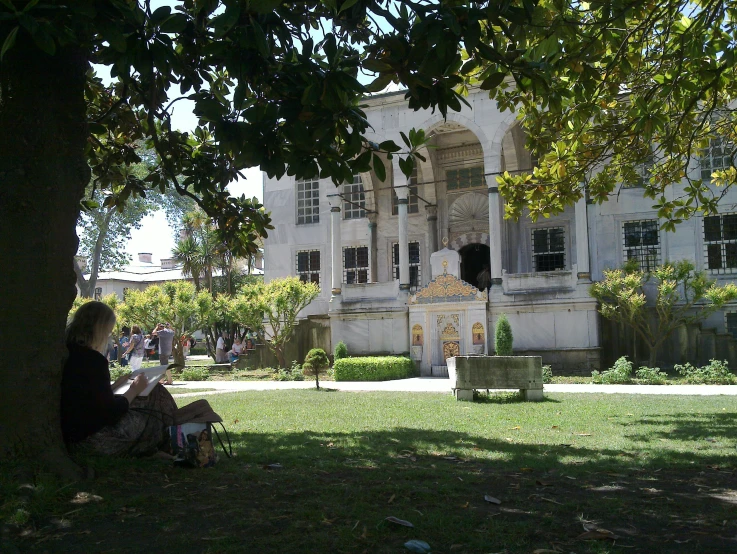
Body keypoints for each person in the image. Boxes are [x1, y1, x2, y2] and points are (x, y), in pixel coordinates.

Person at [61, 301, 176, 457]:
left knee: (151, 394)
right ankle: (173, 442)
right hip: (94, 440)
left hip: (72, 437)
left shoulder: (68, 353)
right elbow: (110, 412)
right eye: (108, 332)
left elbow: (89, 399)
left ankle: (166, 444)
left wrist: (114, 386)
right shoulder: (93, 360)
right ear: (99, 330)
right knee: (155, 394)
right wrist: (133, 390)